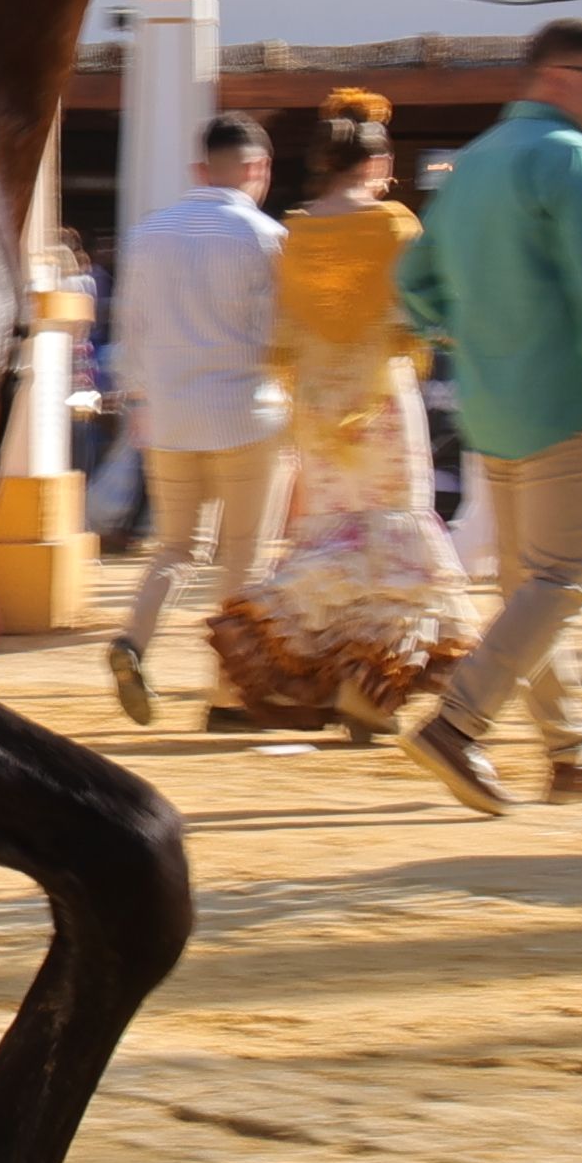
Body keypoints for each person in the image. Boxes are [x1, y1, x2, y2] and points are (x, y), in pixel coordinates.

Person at [392, 17, 582, 812]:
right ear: (555, 79)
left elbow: (413, 279)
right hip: (574, 400)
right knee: (566, 578)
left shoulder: (474, 163)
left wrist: (471, 335)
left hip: (494, 405)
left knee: (531, 585)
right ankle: (458, 724)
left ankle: (572, 751)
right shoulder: (580, 162)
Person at [203, 86, 473, 733]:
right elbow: (424, 315)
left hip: (319, 412)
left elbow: (283, 334)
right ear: (379, 166)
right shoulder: (395, 226)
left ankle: (300, 669)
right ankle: (366, 686)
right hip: (381, 400)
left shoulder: (298, 233)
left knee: (331, 537)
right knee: (393, 541)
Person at [99, 113, 287, 726]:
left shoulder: (149, 234)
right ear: (257, 170)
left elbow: (130, 327)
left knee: (176, 548)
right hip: (246, 414)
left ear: (199, 170)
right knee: (244, 558)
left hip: (173, 415)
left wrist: (139, 402)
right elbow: (280, 334)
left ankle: (133, 641)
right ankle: (228, 695)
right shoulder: (265, 237)